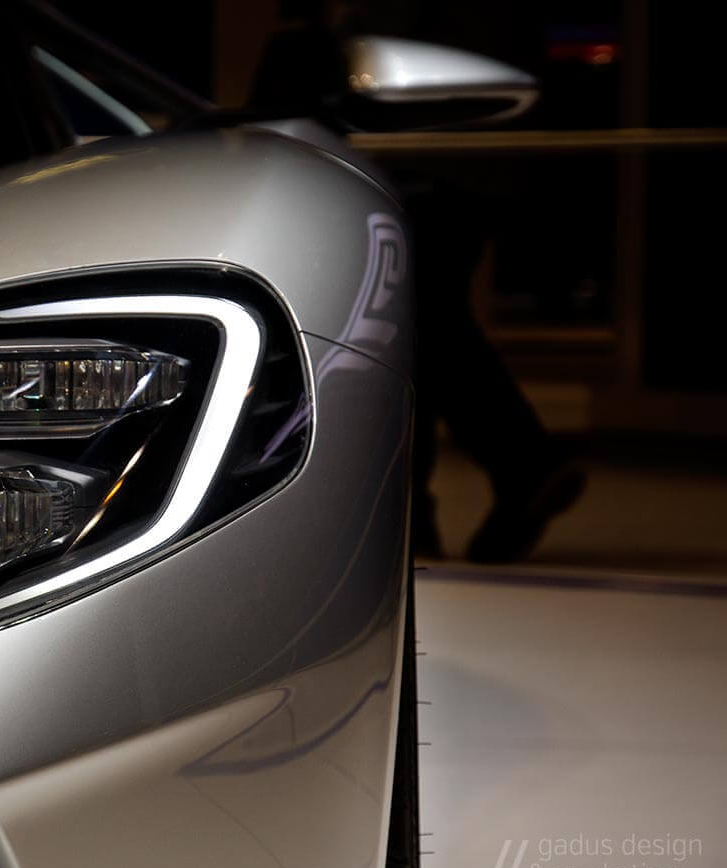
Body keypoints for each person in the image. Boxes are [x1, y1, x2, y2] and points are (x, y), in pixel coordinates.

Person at [251, 0, 585, 562]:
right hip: (450, 161)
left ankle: (501, 473)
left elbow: (385, 51)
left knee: (414, 325)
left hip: (434, 159)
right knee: (426, 325)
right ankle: (480, 483)